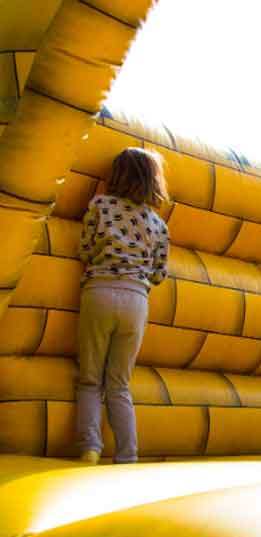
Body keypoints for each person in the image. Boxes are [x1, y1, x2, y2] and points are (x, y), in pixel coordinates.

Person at [76, 147, 170, 464]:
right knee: (119, 383)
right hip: (135, 299)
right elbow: (159, 273)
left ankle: (90, 446)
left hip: (99, 291)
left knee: (90, 378)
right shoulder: (158, 224)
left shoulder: (100, 205)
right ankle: (127, 455)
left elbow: (86, 249)